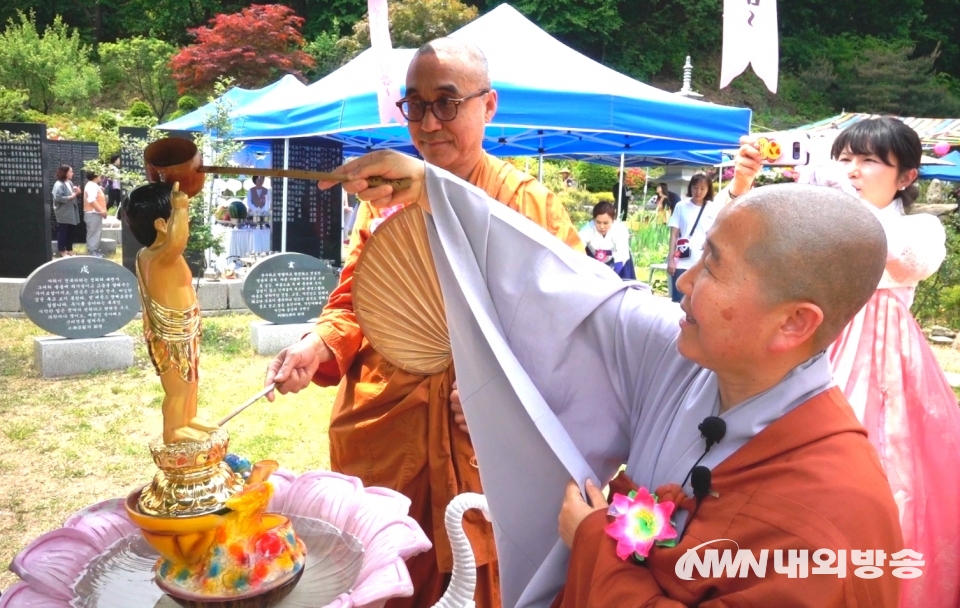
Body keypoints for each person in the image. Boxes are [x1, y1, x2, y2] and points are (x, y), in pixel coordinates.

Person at [317, 150, 904, 606]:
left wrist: (596, 538)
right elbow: (567, 288)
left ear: (794, 323)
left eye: (714, 268)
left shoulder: (837, 517)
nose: (685, 283)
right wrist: (438, 193)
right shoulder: (692, 362)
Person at [264, 38, 582, 608]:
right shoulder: (383, 202)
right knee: (392, 570)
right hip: (390, 418)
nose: (429, 122)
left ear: (489, 106)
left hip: (479, 430)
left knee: (484, 574)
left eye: (447, 102)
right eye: (415, 104)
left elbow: (572, 324)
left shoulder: (527, 204)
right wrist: (318, 342)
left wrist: (502, 389)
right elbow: (355, 303)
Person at [728, 117, 960, 608]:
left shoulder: (919, 227)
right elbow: (752, 248)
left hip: (886, 375)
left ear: (907, 177)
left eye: (869, 160)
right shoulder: (821, 216)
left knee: (881, 480)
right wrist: (743, 186)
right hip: (809, 352)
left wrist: (840, 204)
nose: (852, 170)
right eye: (844, 158)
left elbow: (903, 260)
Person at [124, 182, 219, 445]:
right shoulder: (157, 256)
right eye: (177, 219)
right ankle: (174, 429)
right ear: (161, 225)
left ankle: (189, 418)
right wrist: (180, 204)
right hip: (170, 331)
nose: (184, 224)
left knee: (191, 378)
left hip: (185, 327)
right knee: (179, 386)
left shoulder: (161, 255)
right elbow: (179, 240)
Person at [666, 173, 718, 303]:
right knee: (678, 300)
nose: (698, 192)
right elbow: (674, 234)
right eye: (695, 187)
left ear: (708, 189)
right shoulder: (681, 206)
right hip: (682, 259)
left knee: (698, 302)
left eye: (702, 188)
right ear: (690, 188)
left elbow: (716, 235)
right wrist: (671, 259)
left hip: (702, 260)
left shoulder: (713, 208)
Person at [579, 201, 634, 280]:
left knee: (626, 258)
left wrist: (613, 277)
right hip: (593, 260)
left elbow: (621, 255)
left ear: (613, 220)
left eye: (606, 223)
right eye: (598, 222)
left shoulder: (620, 229)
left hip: (617, 261)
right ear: (594, 220)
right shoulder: (587, 229)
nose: (602, 226)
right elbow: (577, 248)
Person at [52, 165, 81, 257]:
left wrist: (78, 192)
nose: (72, 173)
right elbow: (58, 197)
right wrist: (71, 196)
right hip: (63, 212)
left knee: (71, 231)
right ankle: (62, 250)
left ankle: (69, 249)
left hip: (71, 211)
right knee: (63, 231)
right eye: (70, 171)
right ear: (65, 172)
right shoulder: (58, 184)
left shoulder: (70, 183)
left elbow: (74, 194)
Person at [83, 171, 108, 257]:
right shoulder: (91, 186)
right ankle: (92, 252)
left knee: (96, 233)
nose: (101, 176)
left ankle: (94, 251)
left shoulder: (93, 185)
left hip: (95, 213)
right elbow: (91, 199)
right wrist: (101, 210)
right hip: (93, 213)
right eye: (99, 174)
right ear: (95, 176)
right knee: (93, 233)